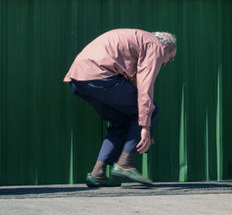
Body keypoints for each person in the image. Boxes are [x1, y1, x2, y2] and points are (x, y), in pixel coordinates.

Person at [64, 29, 178, 187]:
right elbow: (145, 86)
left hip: (80, 78)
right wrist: (145, 125)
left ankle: (98, 173)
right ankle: (125, 163)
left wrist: (140, 128)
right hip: (100, 76)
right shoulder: (154, 46)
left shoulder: (139, 39)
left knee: (122, 121)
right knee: (150, 109)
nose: (165, 63)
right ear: (165, 48)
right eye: (170, 59)